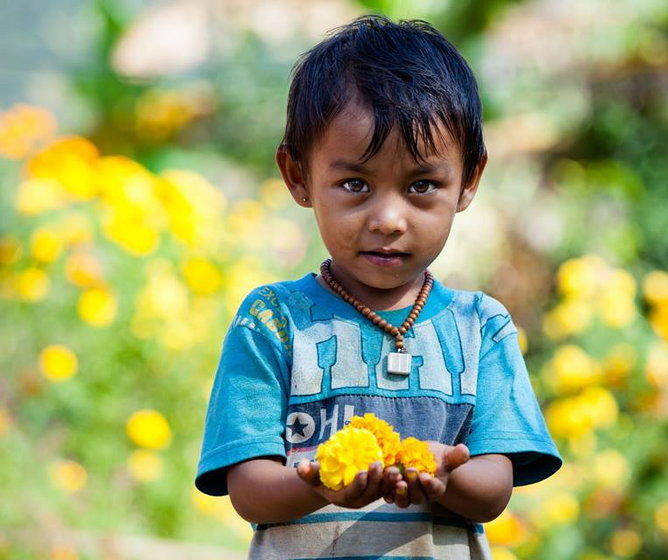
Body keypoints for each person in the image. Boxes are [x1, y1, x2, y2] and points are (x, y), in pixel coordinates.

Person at [195, 14, 562, 559]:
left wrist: (447, 477)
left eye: (422, 185)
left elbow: (493, 489)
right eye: (355, 184)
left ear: (468, 181)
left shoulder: (481, 327)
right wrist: (316, 485)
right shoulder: (273, 320)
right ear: (298, 175)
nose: (389, 218)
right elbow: (250, 489)